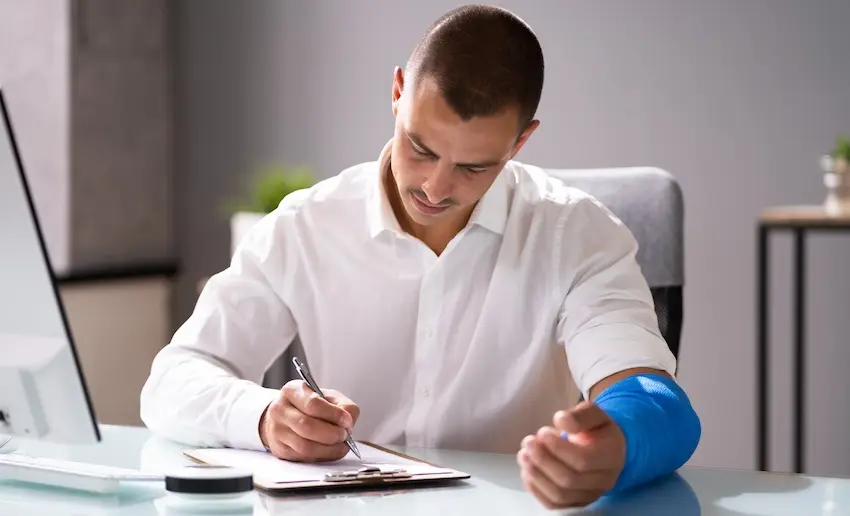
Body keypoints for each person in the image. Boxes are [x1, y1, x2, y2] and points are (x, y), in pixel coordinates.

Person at [140, 4, 701, 509]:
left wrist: (618, 443)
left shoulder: (578, 234)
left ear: (521, 141)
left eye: (473, 167)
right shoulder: (304, 226)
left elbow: (656, 400)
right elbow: (172, 380)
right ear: (398, 91)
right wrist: (263, 418)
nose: (435, 187)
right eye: (420, 147)